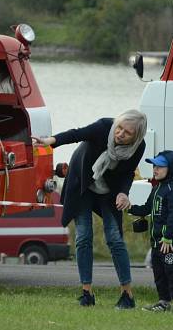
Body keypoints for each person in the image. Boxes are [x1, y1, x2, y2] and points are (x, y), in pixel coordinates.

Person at [33, 110, 147, 309]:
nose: (120, 134)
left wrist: (124, 193)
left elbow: (128, 173)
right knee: (83, 235)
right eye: (119, 128)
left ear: (136, 137)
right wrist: (50, 141)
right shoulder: (104, 127)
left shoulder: (138, 148)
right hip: (83, 182)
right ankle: (87, 293)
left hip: (108, 189)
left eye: (127, 133)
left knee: (114, 238)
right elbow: (76, 134)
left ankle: (127, 295)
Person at [129, 150, 173, 314]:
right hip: (156, 242)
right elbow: (146, 209)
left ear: (171, 169)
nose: (155, 169)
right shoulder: (156, 189)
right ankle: (163, 302)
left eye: (160, 166)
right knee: (159, 273)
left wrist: (168, 238)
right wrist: (129, 207)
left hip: (168, 243)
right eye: (154, 166)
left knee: (171, 271)